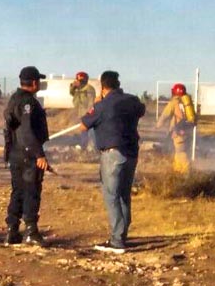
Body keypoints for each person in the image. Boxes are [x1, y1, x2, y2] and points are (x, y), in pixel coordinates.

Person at [79, 71, 146, 254]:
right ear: (118, 83)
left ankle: (117, 241)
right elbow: (142, 110)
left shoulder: (102, 105)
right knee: (124, 194)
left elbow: (84, 125)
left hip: (112, 154)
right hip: (131, 153)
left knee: (111, 195)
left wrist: (98, 102)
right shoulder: (132, 100)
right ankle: (122, 235)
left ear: (103, 86)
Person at [3, 66, 50, 246]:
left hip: (15, 154)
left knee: (18, 191)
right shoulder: (27, 102)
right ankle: (31, 231)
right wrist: (39, 155)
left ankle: (12, 231)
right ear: (34, 82)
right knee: (31, 191)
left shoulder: (14, 99)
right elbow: (26, 132)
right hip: (27, 155)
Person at [156, 83, 196, 174]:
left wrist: (158, 125)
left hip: (178, 133)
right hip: (187, 132)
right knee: (181, 153)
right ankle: (178, 173)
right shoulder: (187, 103)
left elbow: (165, 115)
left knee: (181, 153)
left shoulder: (174, 103)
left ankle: (186, 175)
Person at [70, 71, 96, 150]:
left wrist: (89, 114)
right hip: (80, 113)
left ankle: (92, 147)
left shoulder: (89, 88)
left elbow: (91, 102)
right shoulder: (78, 88)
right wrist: (74, 87)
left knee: (90, 132)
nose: (79, 82)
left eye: (81, 80)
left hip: (87, 114)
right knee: (84, 131)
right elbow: (72, 93)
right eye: (78, 80)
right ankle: (84, 146)